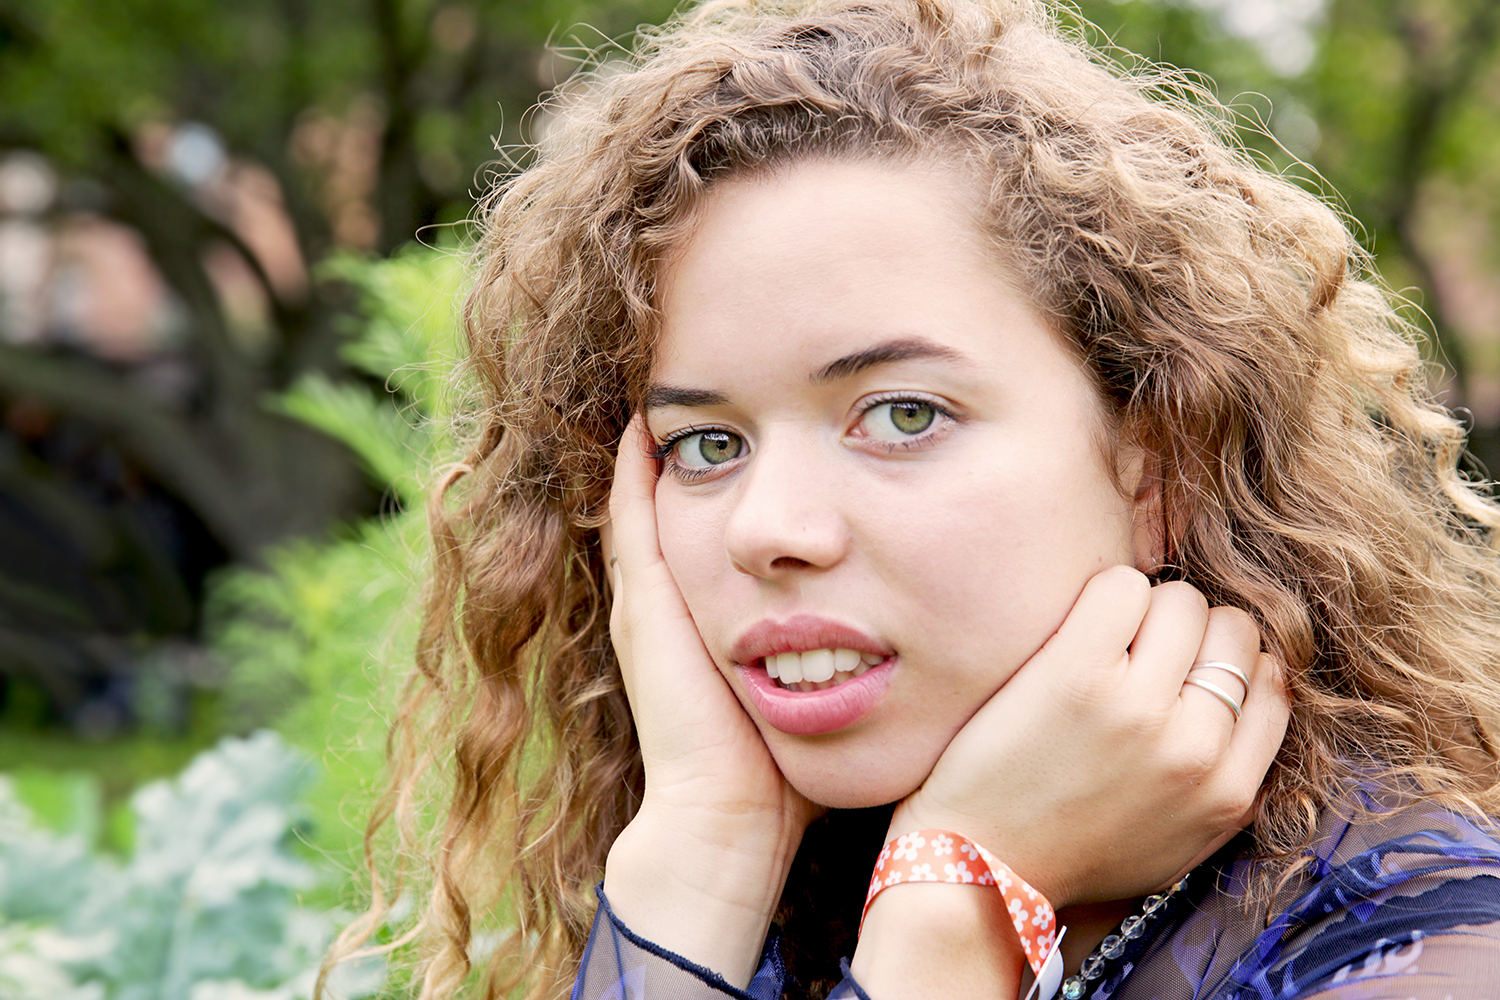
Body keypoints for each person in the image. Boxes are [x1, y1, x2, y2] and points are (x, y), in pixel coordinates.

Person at [325, 1, 1500, 997]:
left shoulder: (1419, 944)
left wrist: (952, 916)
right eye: (704, 443)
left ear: (1159, 458)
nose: (771, 529)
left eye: (902, 415)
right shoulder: (788, 895)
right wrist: (705, 853)